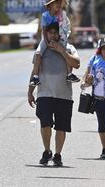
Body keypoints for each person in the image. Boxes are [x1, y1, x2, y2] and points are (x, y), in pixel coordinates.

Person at [27, 22, 80, 167]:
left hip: (64, 95)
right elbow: (34, 71)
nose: (53, 35)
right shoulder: (42, 49)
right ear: (46, 33)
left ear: (60, 34)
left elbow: (77, 64)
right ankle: (47, 150)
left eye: (55, 32)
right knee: (45, 123)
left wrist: (62, 51)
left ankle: (58, 155)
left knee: (61, 127)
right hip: (44, 93)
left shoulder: (69, 48)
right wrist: (30, 91)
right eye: (50, 32)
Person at [29, 0, 80, 86]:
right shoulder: (45, 16)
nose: (58, 4)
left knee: (67, 52)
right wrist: (47, 42)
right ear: (50, 5)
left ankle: (69, 74)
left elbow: (65, 28)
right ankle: (35, 77)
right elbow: (44, 30)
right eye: (55, 2)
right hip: (46, 38)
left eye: (59, 2)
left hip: (60, 37)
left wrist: (61, 42)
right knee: (38, 53)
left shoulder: (62, 16)